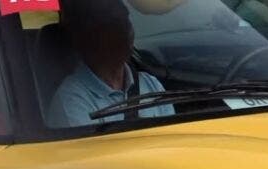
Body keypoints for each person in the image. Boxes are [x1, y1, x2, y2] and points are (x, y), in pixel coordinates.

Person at [49, 0, 175, 128]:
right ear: (91, 37)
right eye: (114, 26)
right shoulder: (71, 99)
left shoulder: (151, 84)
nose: (125, 33)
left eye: (126, 23)